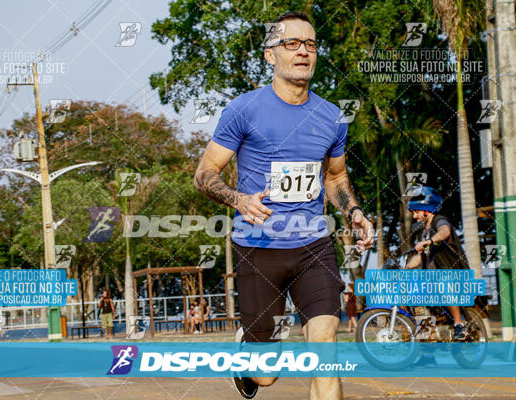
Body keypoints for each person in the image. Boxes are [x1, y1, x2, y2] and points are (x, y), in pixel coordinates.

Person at [194, 11, 374, 399]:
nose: (303, 51)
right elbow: (205, 173)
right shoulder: (244, 110)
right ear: (270, 55)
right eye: (291, 43)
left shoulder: (332, 116)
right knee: (266, 377)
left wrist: (353, 212)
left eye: (310, 44)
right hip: (259, 249)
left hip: (314, 247)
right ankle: (249, 358)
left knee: (325, 350)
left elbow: (336, 177)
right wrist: (237, 198)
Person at [406, 186, 469, 348]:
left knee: (444, 284)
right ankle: (428, 350)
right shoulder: (423, 233)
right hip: (431, 277)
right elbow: (419, 259)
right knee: (416, 301)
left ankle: (458, 324)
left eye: (416, 212)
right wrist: (404, 269)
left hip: (452, 271)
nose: (414, 216)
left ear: (426, 209)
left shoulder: (439, 220)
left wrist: (430, 241)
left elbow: (445, 232)